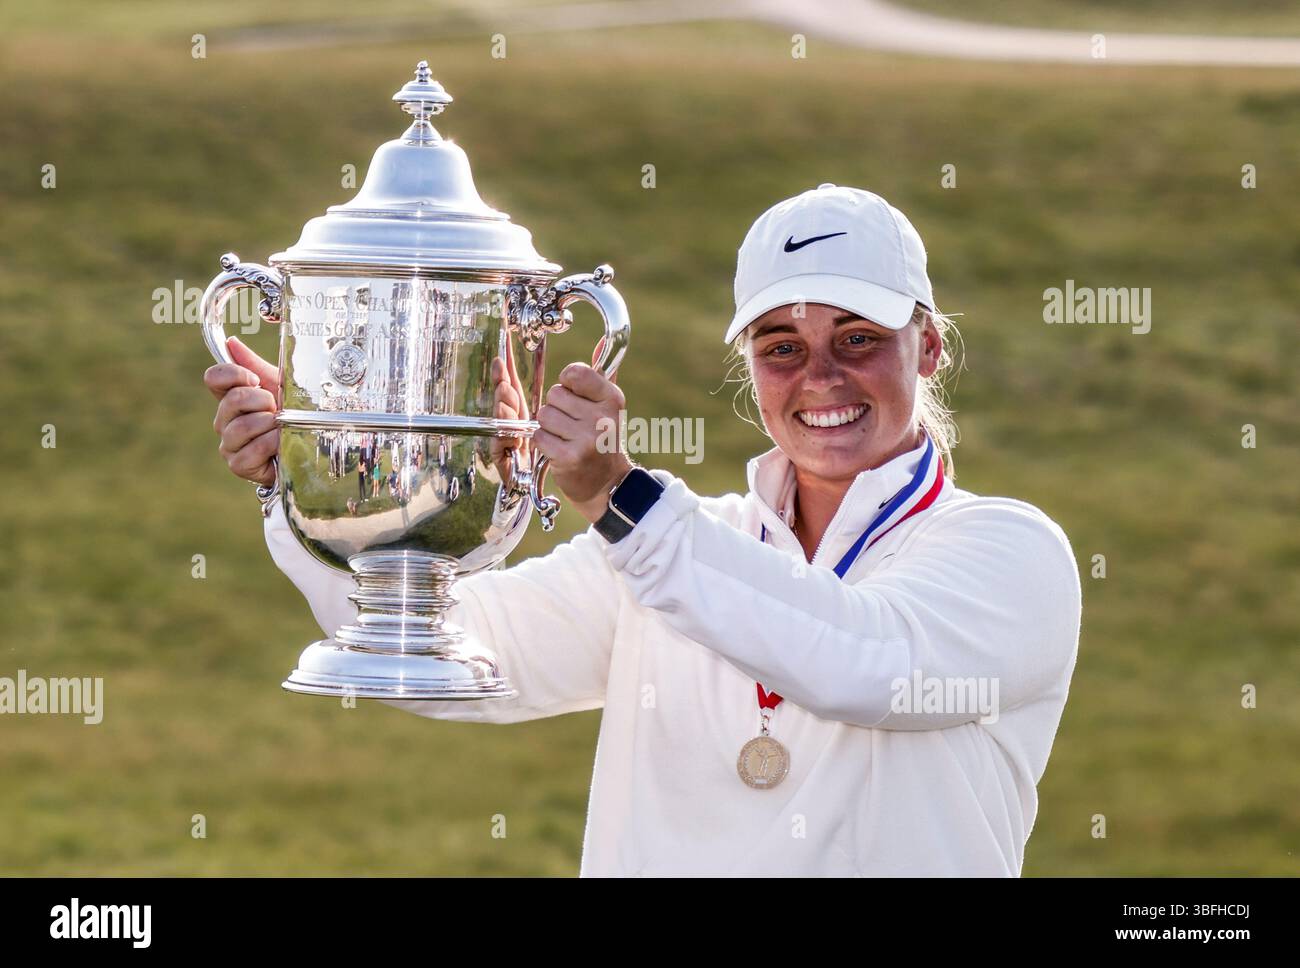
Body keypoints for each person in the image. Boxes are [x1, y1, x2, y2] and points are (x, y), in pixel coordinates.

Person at [204, 185, 1081, 876]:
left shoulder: (1010, 552)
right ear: (749, 367)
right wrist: (317, 484)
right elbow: (445, 659)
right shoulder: (673, 551)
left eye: (857, 339)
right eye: (780, 346)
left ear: (926, 348)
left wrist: (618, 495)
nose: (819, 377)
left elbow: (869, 667)